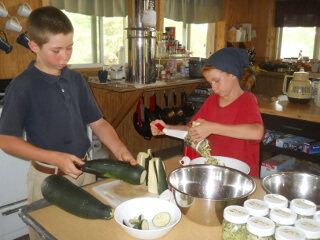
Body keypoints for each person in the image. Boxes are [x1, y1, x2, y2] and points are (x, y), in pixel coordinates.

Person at [0, 6, 136, 239]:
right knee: (50, 233)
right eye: (57, 50)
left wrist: (119, 149)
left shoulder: (75, 79)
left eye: (70, 47)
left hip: (85, 172)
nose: (65, 56)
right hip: (47, 179)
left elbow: (98, 123)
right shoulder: (22, 86)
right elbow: (6, 141)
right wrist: (55, 158)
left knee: (88, 233)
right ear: (34, 46)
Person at [150, 47, 264, 178]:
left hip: (241, 174)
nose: (213, 87)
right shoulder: (212, 100)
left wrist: (212, 127)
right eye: (210, 82)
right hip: (214, 170)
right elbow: (191, 129)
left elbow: (257, 132)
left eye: (216, 81)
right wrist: (167, 128)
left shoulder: (247, 100)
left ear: (232, 74)